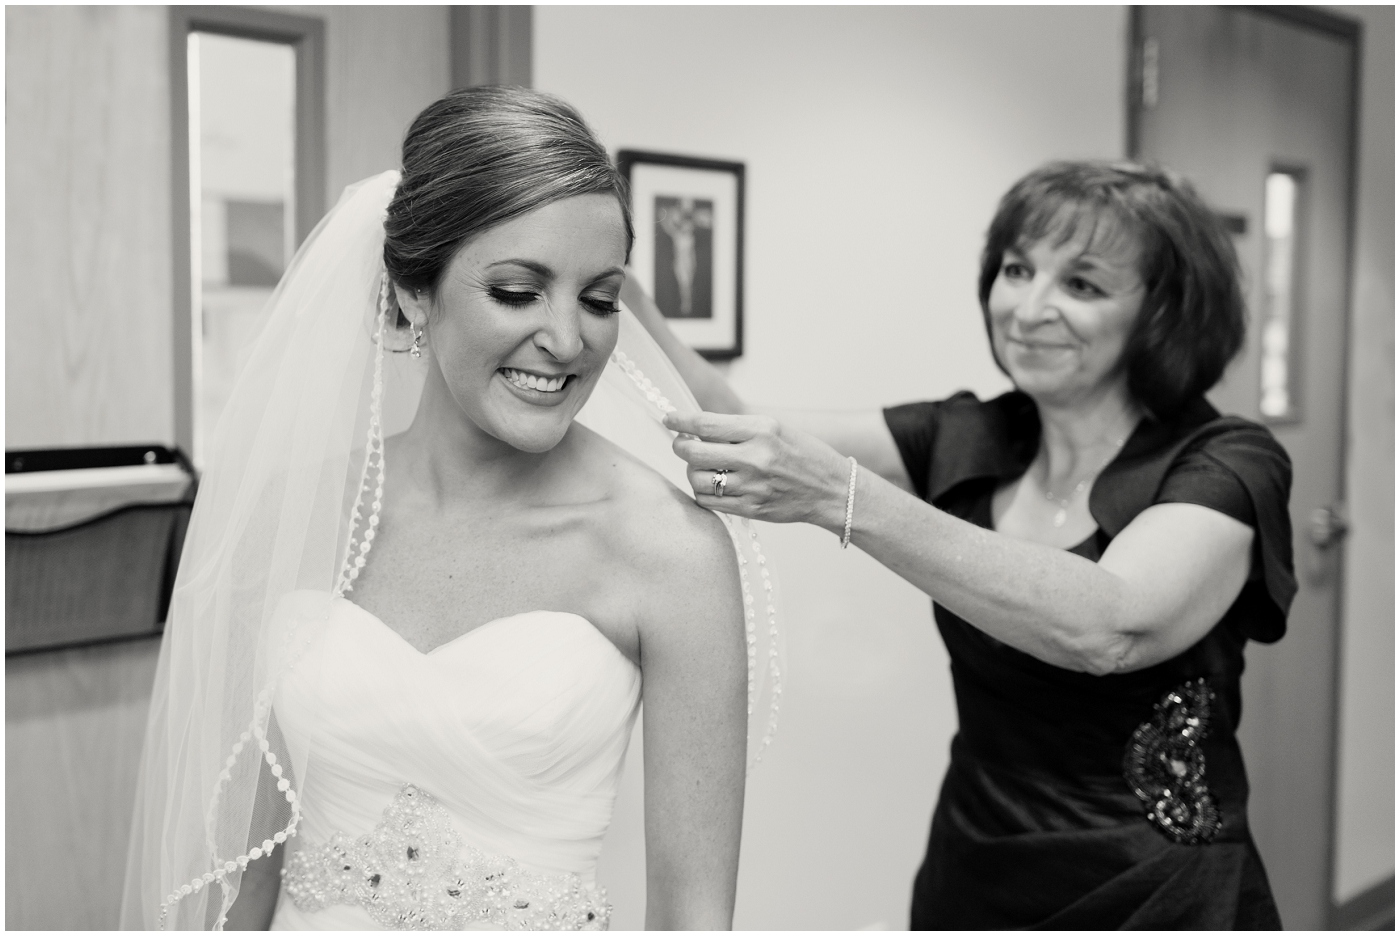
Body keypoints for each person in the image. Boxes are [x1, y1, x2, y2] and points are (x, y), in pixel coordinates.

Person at [122, 87, 783, 931]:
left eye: (598, 298)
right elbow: (242, 869)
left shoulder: (673, 555)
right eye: (517, 292)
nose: (568, 340)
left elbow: (694, 916)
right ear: (412, 291)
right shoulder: (302, 510)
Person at [628, 161, 1294, 928]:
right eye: (1017, 270)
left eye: (1082, 285)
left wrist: (847, 498)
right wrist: (618, 278)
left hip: (1156, 889)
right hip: (975, 870)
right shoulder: (969, 434)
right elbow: (723, 416)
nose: (1029, 308)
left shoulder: (1227, 461)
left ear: (1161, 314)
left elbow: (1114, 624)